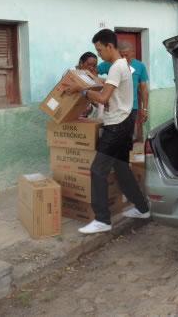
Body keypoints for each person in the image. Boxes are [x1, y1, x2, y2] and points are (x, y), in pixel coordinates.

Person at [64, 29, 150, 234]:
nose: (99, 54)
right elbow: (106, 84)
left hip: (117, 126)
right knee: (122, 169)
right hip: (125, 122)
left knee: (97, 170)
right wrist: (89, 81)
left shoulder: (116, 67)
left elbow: (102, 98)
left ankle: (102, 219)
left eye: (100, 49)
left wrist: (82, 90)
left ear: (110, 46)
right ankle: (143, 208)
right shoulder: (122, 66)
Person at [98, 41, 149, 140]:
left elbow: (143, 89)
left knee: (128, 138)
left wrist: (145, 109)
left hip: (131, 108)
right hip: (114, 107)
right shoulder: (110, 64)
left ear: (132, 53)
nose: (124, 58)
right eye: (122, 55)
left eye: (127, 55)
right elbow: (93, 72)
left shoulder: (140, 66)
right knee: (112, 137)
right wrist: (104, 82)